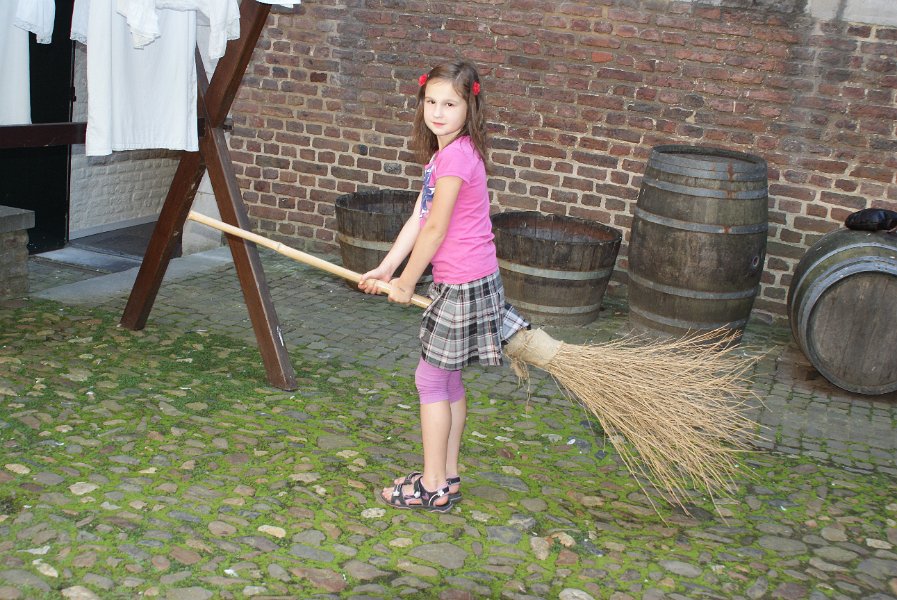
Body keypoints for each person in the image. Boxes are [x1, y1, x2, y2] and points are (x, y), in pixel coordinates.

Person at [359, 60, 528, 512]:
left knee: (430, 379)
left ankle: (432, 485)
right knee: (448, 379)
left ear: (470, 106)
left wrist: (407, 282)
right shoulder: (447, 152)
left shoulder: (455, 158)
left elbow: (435, 230)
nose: (437, 112)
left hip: (462, 282)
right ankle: (447, 477)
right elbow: (420, 216)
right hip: (472, 277)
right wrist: (387, 268)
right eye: (430, 101)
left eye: (449, 104)